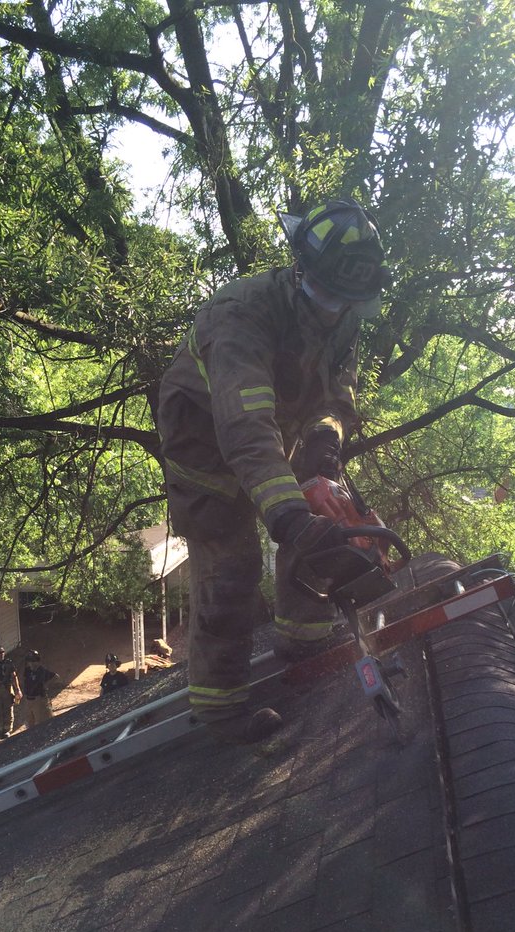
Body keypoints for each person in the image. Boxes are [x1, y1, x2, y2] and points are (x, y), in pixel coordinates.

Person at [155, 198, 389, 743]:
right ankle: (221, 712)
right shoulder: (241, 315)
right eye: (329, 296)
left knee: (322, 518)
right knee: (232, 569)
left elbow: (339, 391)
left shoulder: (345, 312)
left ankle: (304, 639)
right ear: (301, 270)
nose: (336, 310)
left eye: (346, 301)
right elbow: (245, 425)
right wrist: (287, 515)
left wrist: (325, 447)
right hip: (206, 453)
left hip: (277, 432)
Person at [22, 650, 58, 727]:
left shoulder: (42, 670)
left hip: (39, 699)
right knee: (29, 722)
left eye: (34, 661)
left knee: (41, 722)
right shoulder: (27, 670)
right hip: (28, 699)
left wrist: (46, 685)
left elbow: (55, 677)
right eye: (30, 661)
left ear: (37, 661)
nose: (31, 663)